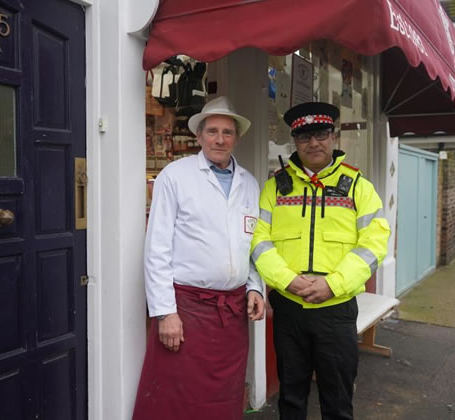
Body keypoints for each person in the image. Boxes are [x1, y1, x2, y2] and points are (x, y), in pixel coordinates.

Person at [251, 102, 390, 420]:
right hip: (289, 308)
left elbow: (373, 246)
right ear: (295, 141)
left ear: (334, 136)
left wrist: (332, 284)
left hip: (337, 310)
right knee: (291, 398)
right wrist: (288, 280)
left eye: (321, 134)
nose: (313, 143)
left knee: (338, 400)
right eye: (304, 136)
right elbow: (259, 242)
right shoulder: (276, 187)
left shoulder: (358, 187)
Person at [133, 96, 265, 420]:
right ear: (199, 136)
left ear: (237, 138)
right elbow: (157, 248)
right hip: (186, 312)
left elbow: (252, 245)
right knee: (176, 401)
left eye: (227, 132)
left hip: (232, 315)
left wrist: (255, 287)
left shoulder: (249, 184)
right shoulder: (175, 176)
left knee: (223, 399)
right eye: (213, 131)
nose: (220, 139)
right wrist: (165, 313)